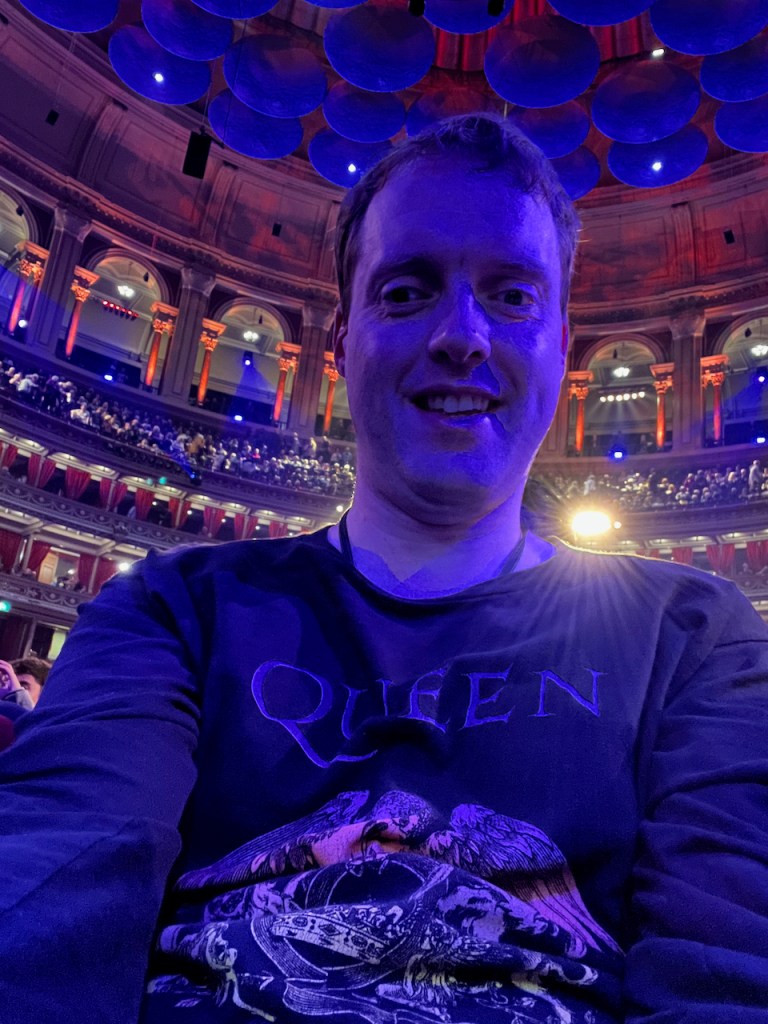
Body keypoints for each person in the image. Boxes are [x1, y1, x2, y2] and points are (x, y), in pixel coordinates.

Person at [1, 115, 768, 1024]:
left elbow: (729, 967)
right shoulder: (169, 609)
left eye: (513, 296)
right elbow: (52, 883)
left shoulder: (696, 633)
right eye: (407, 292)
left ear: (564, 349)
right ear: (339, 345)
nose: (461, 336)